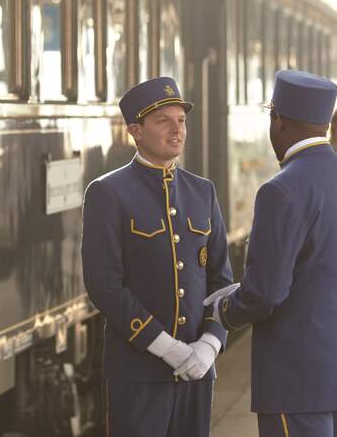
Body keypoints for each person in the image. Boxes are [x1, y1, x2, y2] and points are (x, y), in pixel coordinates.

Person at [205, 70, 337, 437]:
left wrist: (221, 310)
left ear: (278, 120)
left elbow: (265, 292)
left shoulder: (281, 190)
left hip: (295, 375)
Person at [81, 76, 233, 437]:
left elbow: (221, 280)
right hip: (139, 374)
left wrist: (209, 345)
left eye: (181, 120)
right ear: (136, 131)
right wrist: (166, 348)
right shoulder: (108, 192)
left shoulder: (203, 191)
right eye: (164, 121)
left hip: (197, 372)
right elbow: (104, 285)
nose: (177, 130)